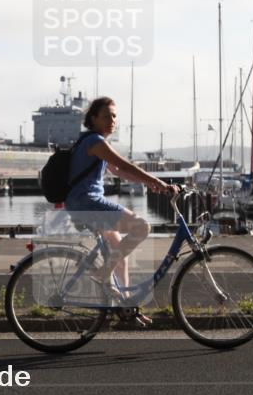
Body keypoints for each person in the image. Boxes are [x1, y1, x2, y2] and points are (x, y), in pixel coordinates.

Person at [65, 97, 178, 325]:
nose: (111, 120)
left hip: (82, 203)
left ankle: (126, 309)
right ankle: (101, 274)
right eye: (106, 116)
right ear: (93, 118)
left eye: (114, 116)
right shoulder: (95, 142)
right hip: (87, 203)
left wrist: (150, 184)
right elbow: (126, 165)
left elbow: (118, 171)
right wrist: (158, 181)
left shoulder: (92, 141)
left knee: (119, 255)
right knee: (141, 227)